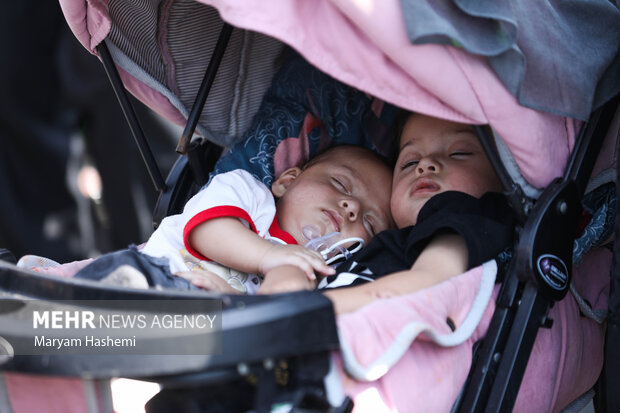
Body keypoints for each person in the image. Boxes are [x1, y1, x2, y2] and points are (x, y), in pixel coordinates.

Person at [74, 145, 394, 294]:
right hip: (159, 274)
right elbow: (207, 231)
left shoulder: (321, 274)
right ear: (288, 180)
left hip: (213, 328)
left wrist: (233, 302)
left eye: (369, 223)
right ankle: (45, 326)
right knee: (116, 278)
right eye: (340, 184)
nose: (351, 207)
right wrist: (270, 255)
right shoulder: (248, 193)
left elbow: (272, 319)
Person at [319, 112, 518, 314]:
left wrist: (310, 308)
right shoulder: (379, 239)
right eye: (410, 163)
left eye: (459, 153)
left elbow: (428, 281)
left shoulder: (468, 214)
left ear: (507, 177)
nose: (425, 164)